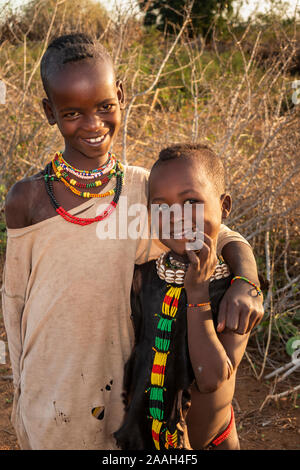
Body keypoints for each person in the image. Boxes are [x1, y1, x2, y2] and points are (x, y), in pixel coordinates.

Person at [2, 34, 263, 450]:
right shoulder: (27, 199)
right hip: (49, 386)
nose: (92, 124)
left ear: (121, 95)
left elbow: (223, 234)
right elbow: (15, 301)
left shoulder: (142, 191)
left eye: (105, 106)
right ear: (49, 112)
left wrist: (246, 282)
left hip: (116, 389)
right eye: (72, 112)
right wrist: (22, 385)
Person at [114, 144, 260, 450]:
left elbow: (210, 378)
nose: (175, 216)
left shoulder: (235, 292)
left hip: (213, 440)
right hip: (152, 440)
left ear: (224, 206)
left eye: (191, 201)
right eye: (161, 206)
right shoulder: (145, 277)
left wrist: (197, 295)